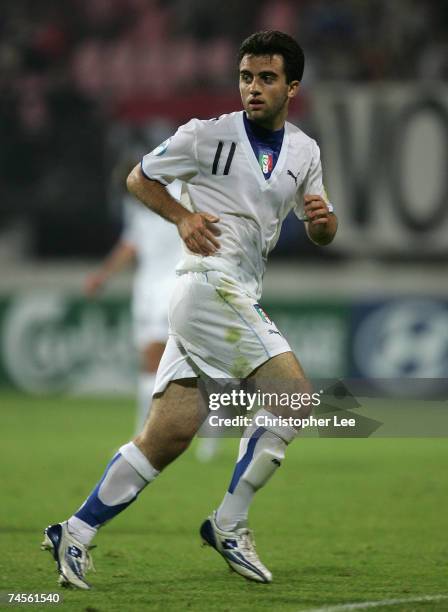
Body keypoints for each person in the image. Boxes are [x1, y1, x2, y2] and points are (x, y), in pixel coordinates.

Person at [42, 30, 338, 588]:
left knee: (169, 434)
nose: (253, 87)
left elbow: (320, 227)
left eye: (267, 78)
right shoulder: (205, 136)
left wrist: (324, 226)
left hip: (232, 293)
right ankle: (229, 523)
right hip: (207, 284)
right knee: (295, 398)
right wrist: (181, 217)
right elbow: (139, 177)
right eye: (247, 76)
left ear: (292, 86)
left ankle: (75, 531)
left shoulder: (304, 151)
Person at [84, 185, 183, 432]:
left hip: (173, 287)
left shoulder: (185, 194)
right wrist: (103, 275)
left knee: (155, 357)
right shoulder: (141, 207)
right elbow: (131, 245)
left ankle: (146, 432)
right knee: (152, 361)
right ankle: (148, 430)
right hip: (146, 291)